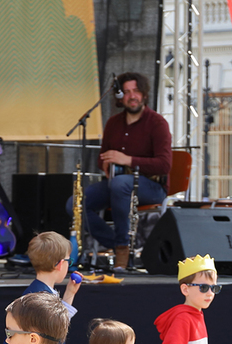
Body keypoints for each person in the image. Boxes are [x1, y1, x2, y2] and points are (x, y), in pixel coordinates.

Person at [67, 72, 172, 270]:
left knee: (120, 183)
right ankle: (116, 243)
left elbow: (164, 165)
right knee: (74, 203)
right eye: (126, 92)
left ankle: (124, 247)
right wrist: (105, 163)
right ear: (120, 97)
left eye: (136, 91)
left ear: (144, 94)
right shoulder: (113, 123)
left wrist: (128, 160)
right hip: (117, 185)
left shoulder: (157, 123)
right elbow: (102, 156)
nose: (132, 96)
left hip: (151, 186)